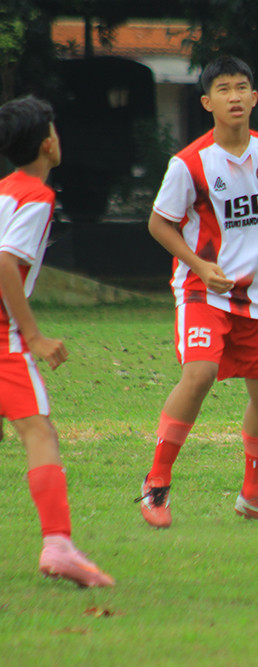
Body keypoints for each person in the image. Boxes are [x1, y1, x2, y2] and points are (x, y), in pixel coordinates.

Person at [135, 55, 258, 528]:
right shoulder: (189, 163)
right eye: (223, 89)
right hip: (203, 291)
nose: (234, 97)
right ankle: (156, 484)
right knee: (200, 375)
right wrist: (201, 267)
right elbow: (158, 223)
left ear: (255, 97)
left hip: (256, 297)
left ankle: (254, 496)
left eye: (241, 87)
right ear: (207, 102)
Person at [0, 95, 113, 586]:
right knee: (38, 432)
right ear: (48, 144)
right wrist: (34, 336)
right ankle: (59, 545)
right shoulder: (37, 197)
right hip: (4, 339)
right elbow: (5, 264)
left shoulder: (4, 188)